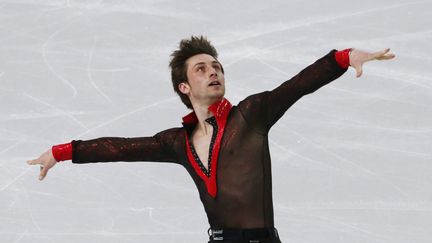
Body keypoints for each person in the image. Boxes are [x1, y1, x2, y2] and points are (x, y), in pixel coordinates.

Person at [27, 36, 395, 243]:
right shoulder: (177, 142)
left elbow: (297, 85)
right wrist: (62, 152)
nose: (213, 72)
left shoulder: (251, 114)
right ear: (184, 87)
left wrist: (344, 58)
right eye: (201, 69)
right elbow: (122, 147)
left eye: (216, 66)